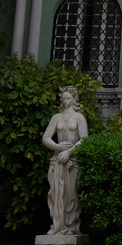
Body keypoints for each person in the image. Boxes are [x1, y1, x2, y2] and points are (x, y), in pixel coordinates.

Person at [41, 86, 89, 235]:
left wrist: (69, 152)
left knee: (71, 195)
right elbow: (46, 138)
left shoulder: (79, 117)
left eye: (69, 98)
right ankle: (58, 226)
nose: (66, 101)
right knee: (56, 194)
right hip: (57, 160)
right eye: (64, 98)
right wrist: (58, 147)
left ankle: (70, 227)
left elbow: (85, 140)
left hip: (72, 162)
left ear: (74, 99)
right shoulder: (56, 117)